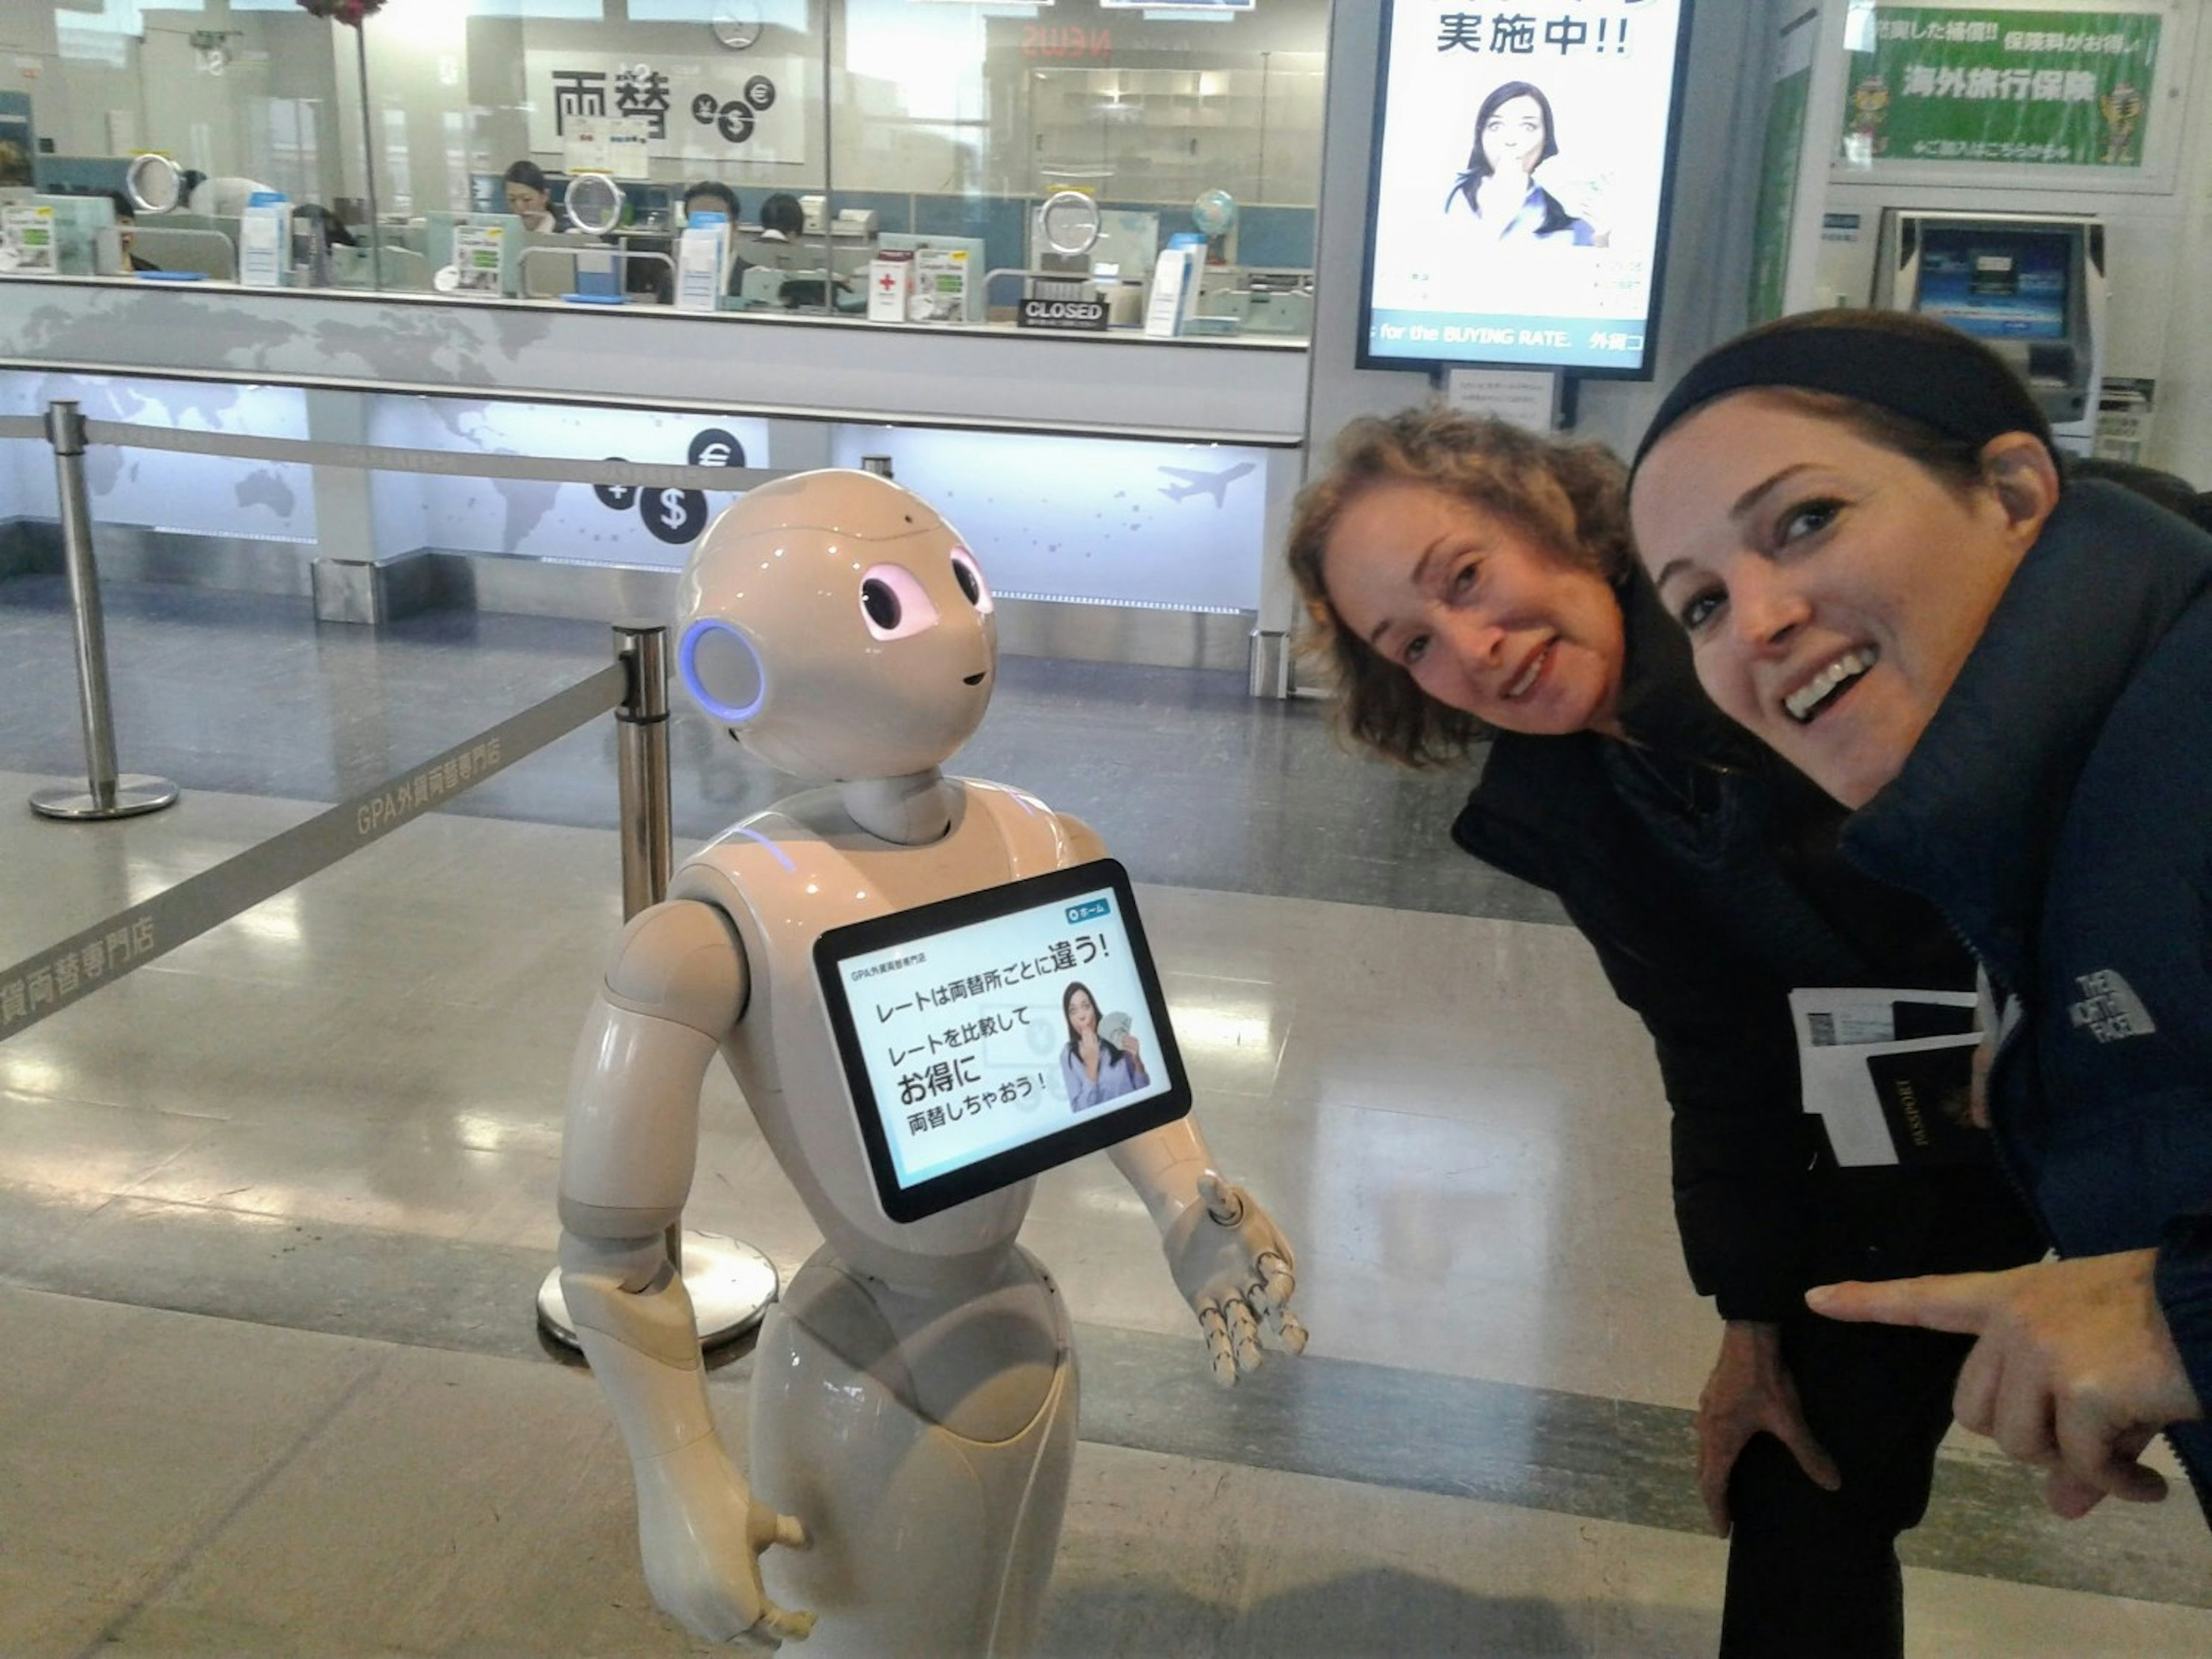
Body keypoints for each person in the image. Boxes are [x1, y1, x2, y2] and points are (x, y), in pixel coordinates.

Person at [1286, 404, 2044, 1656]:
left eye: (1467, 577)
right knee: (1799, 1471)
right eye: (1412, 643)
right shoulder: (1584, 794)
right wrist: (1756, 1323)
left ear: (1558, 517)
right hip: (1920, 1128)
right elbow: (1722, 1050)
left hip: (2121, 1080)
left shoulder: (1771, 653)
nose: (1474, 647)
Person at [1628, 308, 2212, 1523]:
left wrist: (2181, 1313)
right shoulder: (2045, 822)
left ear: (2011, 489)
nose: (1761, 621)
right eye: (1699, 607)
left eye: (1806, 521)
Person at [1444, 80, 1599, 247]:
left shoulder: (1568, 203)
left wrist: (1602, 240)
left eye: (1528, 127)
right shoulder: (1450, 193)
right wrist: (1494, 221)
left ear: (1546, 138)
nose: (1510, 141)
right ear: (1480, 134)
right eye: (1496, 126)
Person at [1060, 981, 1148, 1111]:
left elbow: (1144, 1090)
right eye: (1073, 1011)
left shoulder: (1114, 1035)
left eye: (1086, 1006)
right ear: (1069, 1018)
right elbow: (1079, 1111)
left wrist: (1137, 1062)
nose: (1082, 1016)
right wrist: (1092, 1066)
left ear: (1094, 1009)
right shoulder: (1068, 1055)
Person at [102, 191, 158, 272]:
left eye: (126, 222)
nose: (123, 230)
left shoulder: (150, 272)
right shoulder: (83, 274)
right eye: (112, 223)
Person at [502, 160, 558, 233]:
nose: (519, 207)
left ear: (544, 196)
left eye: (527, 200)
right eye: (512, 200)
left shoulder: (566, 234)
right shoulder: (503, 232)